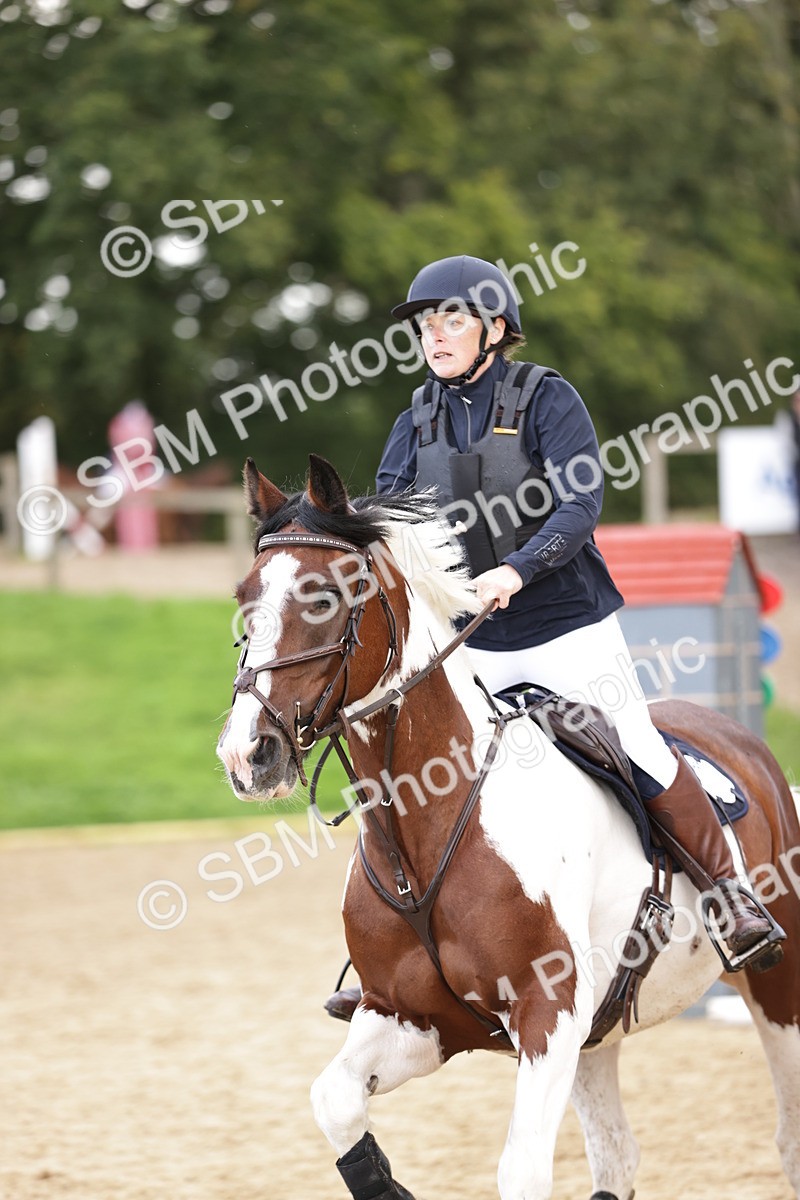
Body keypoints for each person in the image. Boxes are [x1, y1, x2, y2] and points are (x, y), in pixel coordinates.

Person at [325, 255, 780, 1021]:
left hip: (565, 626)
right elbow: (390, 530)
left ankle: (733, 899)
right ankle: (389, 952)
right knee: (419, 774)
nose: (434, 336)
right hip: (471, 643)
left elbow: (580, 504)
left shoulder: (546, 399)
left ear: (495, 329)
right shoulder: (414, 425)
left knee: (637, 745)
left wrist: (515, 570)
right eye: (426, 325)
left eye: (451, 320)